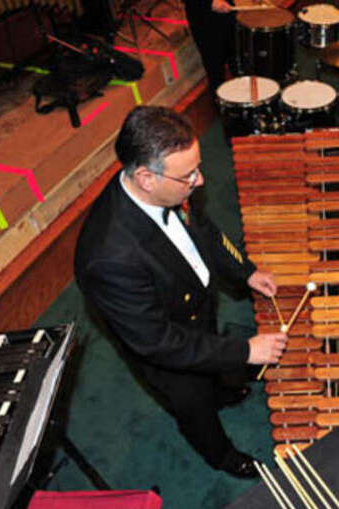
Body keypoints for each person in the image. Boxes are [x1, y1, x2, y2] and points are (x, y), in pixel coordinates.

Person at [74, 106, 287, 479]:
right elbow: (159, 341)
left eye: (198, 167)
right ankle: (220, 455)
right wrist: (245, 351)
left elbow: (203, 230)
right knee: (194, 404)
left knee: (213, 370)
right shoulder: (109, 259)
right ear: (146, 178)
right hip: (168, 348)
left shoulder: (167, 190)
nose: (201, 181)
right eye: (189, 174)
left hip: (193, 308)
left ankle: (222, 391)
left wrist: (245, 272)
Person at [184, 0, 237, 94]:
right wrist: (210, 2)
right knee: (215, 68)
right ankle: (221, 104)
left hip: (228, 10)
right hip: (204, 15)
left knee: (237, 62)